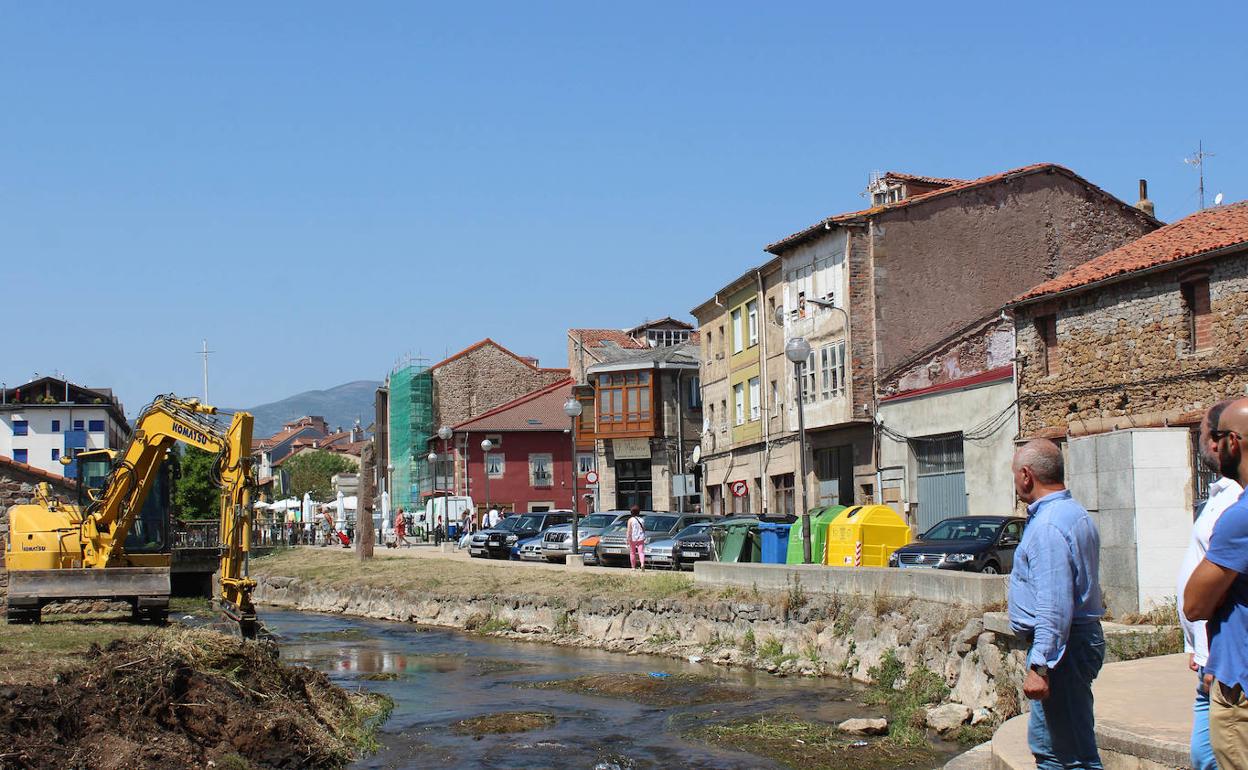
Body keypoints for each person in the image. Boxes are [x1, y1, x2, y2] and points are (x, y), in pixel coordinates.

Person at [1008, 438, 1105, 770]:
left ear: (1026, 475)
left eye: (1014, 475)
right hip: (1073, 642)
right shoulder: (1072, 512)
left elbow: (1054, 604)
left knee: (1071, 757)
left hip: (1063, 650)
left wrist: (1041, 666)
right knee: (1053, 749)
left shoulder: (1048, 526)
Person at [1185, 398, 1248, 767]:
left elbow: (1195, 604)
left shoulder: (1239, 518)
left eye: (1218, 436)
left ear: (1234, 442)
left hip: (1239, 689)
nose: (1213, 445)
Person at [626, 505, 646, 570]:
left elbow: (629, 530)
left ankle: (633, 567)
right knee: (641, 552)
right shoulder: (642, 520)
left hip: (632, 538)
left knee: (632, 552)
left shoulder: (630, 520)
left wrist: (627, 538)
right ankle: (642, 564)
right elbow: (644, 529)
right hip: (641, 537)